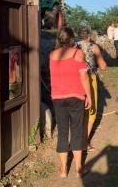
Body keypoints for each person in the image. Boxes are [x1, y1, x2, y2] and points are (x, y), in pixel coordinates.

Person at [49, 27, 91, 178]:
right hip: (76, 97)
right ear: (72, 38)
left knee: (62, 132)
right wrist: (89, 96)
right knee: (77, 130)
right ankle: (79, 168)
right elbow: (84, 77)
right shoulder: (77, 53)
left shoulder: (52, 55)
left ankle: (63, 169)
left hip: (58, 98)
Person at [76, 25, 107, 152]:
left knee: (78, 109)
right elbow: (103, 66)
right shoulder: (93, 46)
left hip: (75, 78)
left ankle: (76, 139)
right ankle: (84, 142)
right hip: (89, 78)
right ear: (89, 35)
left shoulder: (73, 46)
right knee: (91, 110)